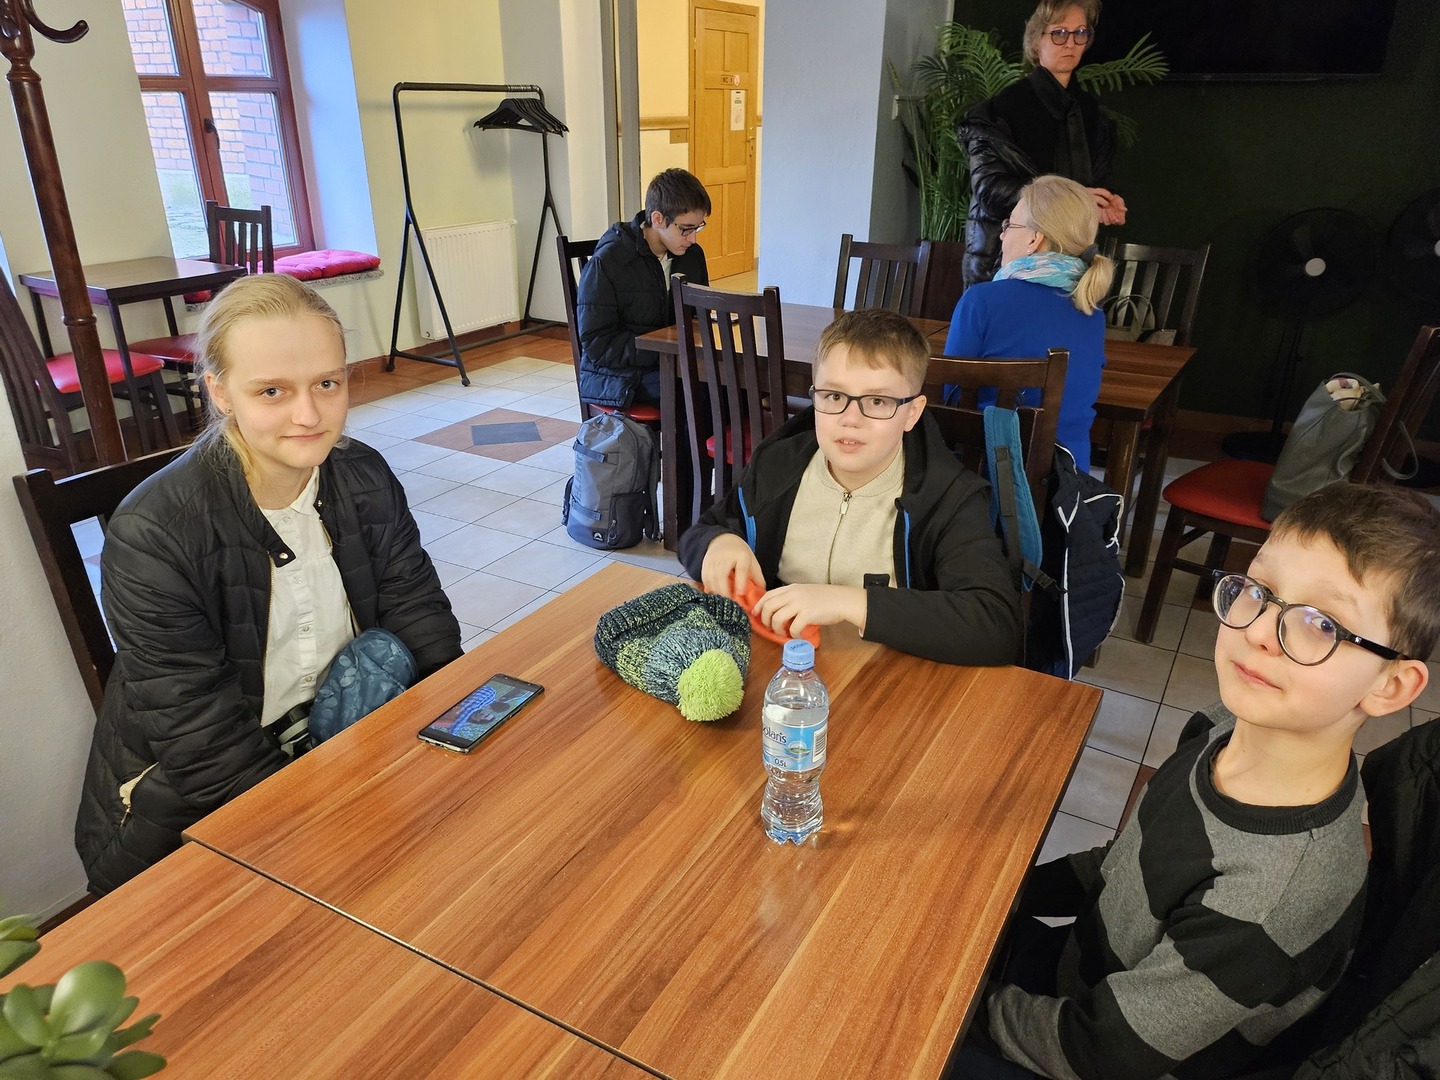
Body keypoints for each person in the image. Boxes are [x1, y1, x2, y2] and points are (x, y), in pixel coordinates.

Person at [954, 482, 1439, 1080]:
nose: (1259, 630)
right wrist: (1005, 896)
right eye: (1258, 591)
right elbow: (1131, 863)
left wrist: (946, 1005)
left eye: (1321, 623)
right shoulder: (1222, 724)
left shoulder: (1276, 893)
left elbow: (1102, 1051)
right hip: (1083, 973)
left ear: (1390, 686)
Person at [74, 274, 462, 893]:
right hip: (196, 811)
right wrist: (327, 831)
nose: (309, 415)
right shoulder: (154, 533)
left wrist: (454, 731)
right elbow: (205, 744)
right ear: (220, 392)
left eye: (327, 384)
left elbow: (420, 615)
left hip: (346, 748)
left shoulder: (363, 473)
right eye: (272, 391)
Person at [678, 308, 1022, 666]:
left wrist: (851, 602)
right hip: (780, 664)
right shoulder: (778, 465)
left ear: (912, 412)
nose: (850, 419)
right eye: (834, 396)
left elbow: (996, 624)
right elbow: (702, 531)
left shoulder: (949, 497)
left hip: (889, 676)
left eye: (877, 401)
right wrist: (717, 543)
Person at [943, 173, 1114, 474]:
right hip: (1067, 485)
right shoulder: (1092, 312)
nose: (1001, 236)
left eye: (1009, 226)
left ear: (1034, 239)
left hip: (984, 478)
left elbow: (949, 400)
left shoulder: (981, 301)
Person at [960, 0, 1125, 289]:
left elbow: (1095, 183)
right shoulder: (999, 111)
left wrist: (1106, 202)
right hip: (1003, 262)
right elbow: (988, 189)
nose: (1070, 43)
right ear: (1037, 40)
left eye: (1080, 33)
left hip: (1072, 267)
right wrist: (1071, 198)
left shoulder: (1094, 116)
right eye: (1059, 33)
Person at [577, 167, 710, 409]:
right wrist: (662, 350)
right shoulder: (609, 262)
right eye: (686, 229)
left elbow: (699, 316)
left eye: (698, 228)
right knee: (702, 392)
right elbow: (597, 343)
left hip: (672, 363)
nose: (693, 239)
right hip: (619, 375)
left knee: (738, 386)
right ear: (657, 219)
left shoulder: (692, 255)